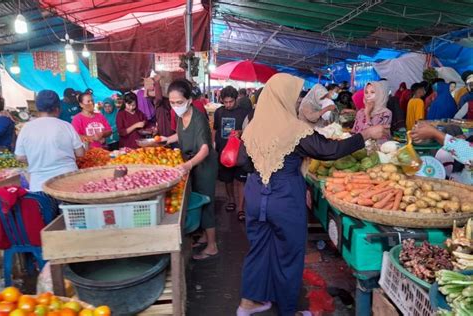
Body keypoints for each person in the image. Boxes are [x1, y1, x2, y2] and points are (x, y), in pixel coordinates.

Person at [237, 73, 388, 316]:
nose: (296, 102)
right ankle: (287, 310)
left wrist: (266, 168)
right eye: (294, 96)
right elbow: (329, 150)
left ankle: (248, 304)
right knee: (289, 253)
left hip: (255, 194)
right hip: (284, 196)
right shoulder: (293, 128)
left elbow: (242, 163)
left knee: (259, 248)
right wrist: (366, 135)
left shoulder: (253, 125)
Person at [161, 79, 218, 260]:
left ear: (189, 100)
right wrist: (166, 139)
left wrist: (187, 165)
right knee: (198, 199)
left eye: (179, 102)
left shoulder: (199, 118)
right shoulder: (181, 116)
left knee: (206, 202)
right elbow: (182, 133)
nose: (176, 106)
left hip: (204, 166)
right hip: (193, 164)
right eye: (172, 102)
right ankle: (203, 236)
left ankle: (212, 246)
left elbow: (205, 149)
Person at [15, 90, 84, 192]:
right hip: (68, 182)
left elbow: (19, 157)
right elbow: (80, 153)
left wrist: (38, 159)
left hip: (39, 185)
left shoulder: (27, 128)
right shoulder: (66, 126)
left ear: (38, 108)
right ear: (57, 109)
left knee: (44, 208)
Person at [213, 85, 251, 217]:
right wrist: (214, 145)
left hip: (240, 153)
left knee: (241, 180)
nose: (228, 105)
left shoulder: (244, 112)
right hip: (224, 152)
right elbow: (215, 129)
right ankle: (231, 200)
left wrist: (241, 132)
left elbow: (250, 131)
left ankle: (241, 208)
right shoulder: (219, 112)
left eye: (231, 101)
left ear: (236, 99)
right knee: (227, 179)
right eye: (225, 102)